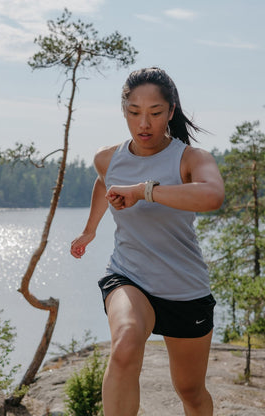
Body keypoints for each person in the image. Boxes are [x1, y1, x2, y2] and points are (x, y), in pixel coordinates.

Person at [70, 67, 225, 416]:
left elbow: (212, 196)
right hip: (129, 276)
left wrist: (144, 192)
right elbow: (103, 181)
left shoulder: (190, 159)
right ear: (123, 111)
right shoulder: (107, 158)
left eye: (155, 113)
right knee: (124, 343)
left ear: (170, 111)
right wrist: (91, 228)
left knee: (190, 390)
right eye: (134, 113)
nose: (144, 124)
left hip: (184, 287)